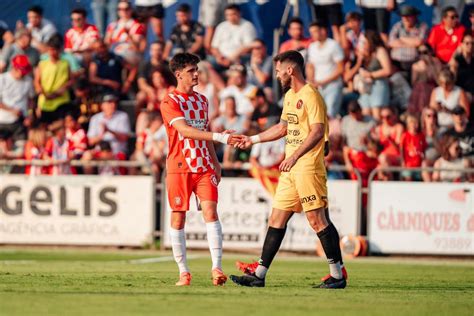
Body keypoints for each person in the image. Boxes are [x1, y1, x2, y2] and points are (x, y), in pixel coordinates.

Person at [229, 50, 347, 289]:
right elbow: (283, 128)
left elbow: (317, 131)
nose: (276, 74)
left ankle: (337, 275)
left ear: (290, 70)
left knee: (317, 219)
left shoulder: (310, 94)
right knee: (277, 217)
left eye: (278, 69)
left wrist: (294, 156)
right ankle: (259, 275)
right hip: (291, 168)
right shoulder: (291, 96)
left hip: (307, 166)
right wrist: (252, 140)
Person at [160, 53, 242, 286]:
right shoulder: (170, 101)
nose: (196, 74)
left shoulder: (202, 100)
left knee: (211, 213)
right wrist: (220, 137)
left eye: (197, 69)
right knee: (178, 218)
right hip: (179, 166)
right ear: (178, 74)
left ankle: (217, 268)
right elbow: (185, 131)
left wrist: (216, 162)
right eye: (191, 71)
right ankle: (183, 272)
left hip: (204, 166)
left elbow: (204, 131)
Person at [306, 22, 344, 118]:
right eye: (311, 32)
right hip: (318, 88)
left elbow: (340, 69)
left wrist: (323, 81)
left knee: (330, 115)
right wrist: (311, 81)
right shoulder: (312, 47)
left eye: (315, 31)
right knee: (318, 115)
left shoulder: (334, 45)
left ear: (323, 31)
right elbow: (310, 66)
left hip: (333, 86)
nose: (312, 34)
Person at [352, 30, 392, 120]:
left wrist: (370, 74)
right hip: (367, 87)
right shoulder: (366, 53)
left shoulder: (380, 51)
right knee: (365, 112)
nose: (363, 44)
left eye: (364, 42)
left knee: (376, 115)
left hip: (379, 85)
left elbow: (388, 70)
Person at [34, 36, 74, 124]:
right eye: (50, 50)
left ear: (59, 50)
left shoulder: (65, 63)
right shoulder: (42, 64)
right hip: (45, 101)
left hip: (61, 100)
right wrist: (43, 93)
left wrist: (63, 88)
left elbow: (71, 80)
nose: (52, 52)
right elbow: (37, 82)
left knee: (61, 126)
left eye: (55, 50)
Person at [0, 55, 35, 147]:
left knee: (21, 147)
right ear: (15, 68)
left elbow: (31, 100)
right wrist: (12, 110)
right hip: (3, 121)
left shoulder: (28, 81)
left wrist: (30, 115)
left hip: (20, 121)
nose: (23, 74)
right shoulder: (2, 79)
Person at [210, 4, 257, 70]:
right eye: (228, 15)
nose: (231, 17)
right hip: (220, 59)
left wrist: (231, 59)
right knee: (204, 66)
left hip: (239, 59)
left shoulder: (247, 26)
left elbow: (248, 47)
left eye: (233, 14)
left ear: (240, 13)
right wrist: (219, 57)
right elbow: (214, 47)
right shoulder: (221, 26)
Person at [388, 5, 429, 80]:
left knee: (421, 67)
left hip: (415, 61)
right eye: (403, 16)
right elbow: (391, 42)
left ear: (415, 16)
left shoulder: (422, 26)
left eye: (408, 16)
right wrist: (412, 43)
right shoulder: (397, 26)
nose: (406, 19)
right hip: (397, 62)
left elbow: (419, 41)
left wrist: (401, 39)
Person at [105, 0, 146, 64]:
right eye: (120, 9)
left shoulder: (137, 26)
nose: (123, 11)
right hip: (114, 53)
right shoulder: (112, 25)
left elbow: (137, 48)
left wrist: (128, 35)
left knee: (119, 55)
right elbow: (107, 44)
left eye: (126, 9)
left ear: (131, 10)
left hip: (129, 54)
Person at [400, 114, 427, 181]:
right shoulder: (405, 135)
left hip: (418, 165)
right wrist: (402, 161)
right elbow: (401, 149)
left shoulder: (421, 136)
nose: (414, 125)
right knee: (408, 179)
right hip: (408, 165)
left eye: (416, 123)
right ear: (408, 124)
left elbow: (424, 149)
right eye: (412, 123)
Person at [449, 32, 474, 98]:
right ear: (461, 44)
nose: (470, 46)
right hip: (461, 93)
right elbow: (452, 80)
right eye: (467, 43)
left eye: (472, 43)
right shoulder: (456, 60)